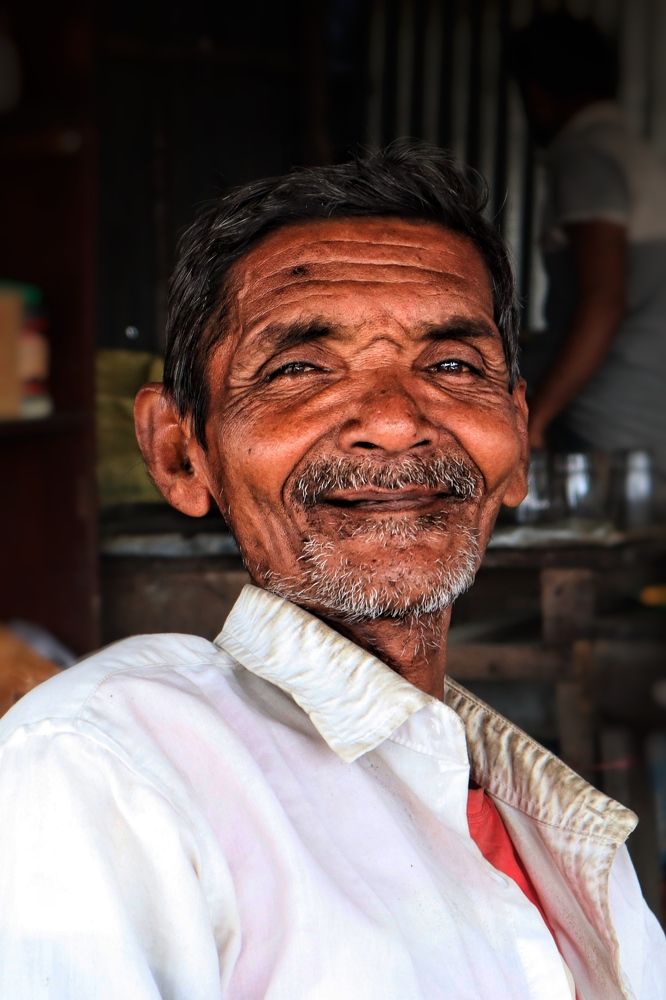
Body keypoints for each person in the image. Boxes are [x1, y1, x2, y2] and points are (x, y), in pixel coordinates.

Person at [0, 143, 664, 999]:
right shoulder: (100, 770)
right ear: (179, 450)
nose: (393, 422)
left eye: (453, 365)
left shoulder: (539, 817)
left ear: (518, 435)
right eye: (300, 369)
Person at [511, 12, 666, 485]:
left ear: (536, 94)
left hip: (611, 413)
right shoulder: (630, 151)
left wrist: (537, 416)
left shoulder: (586, 156)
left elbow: (603, 299)